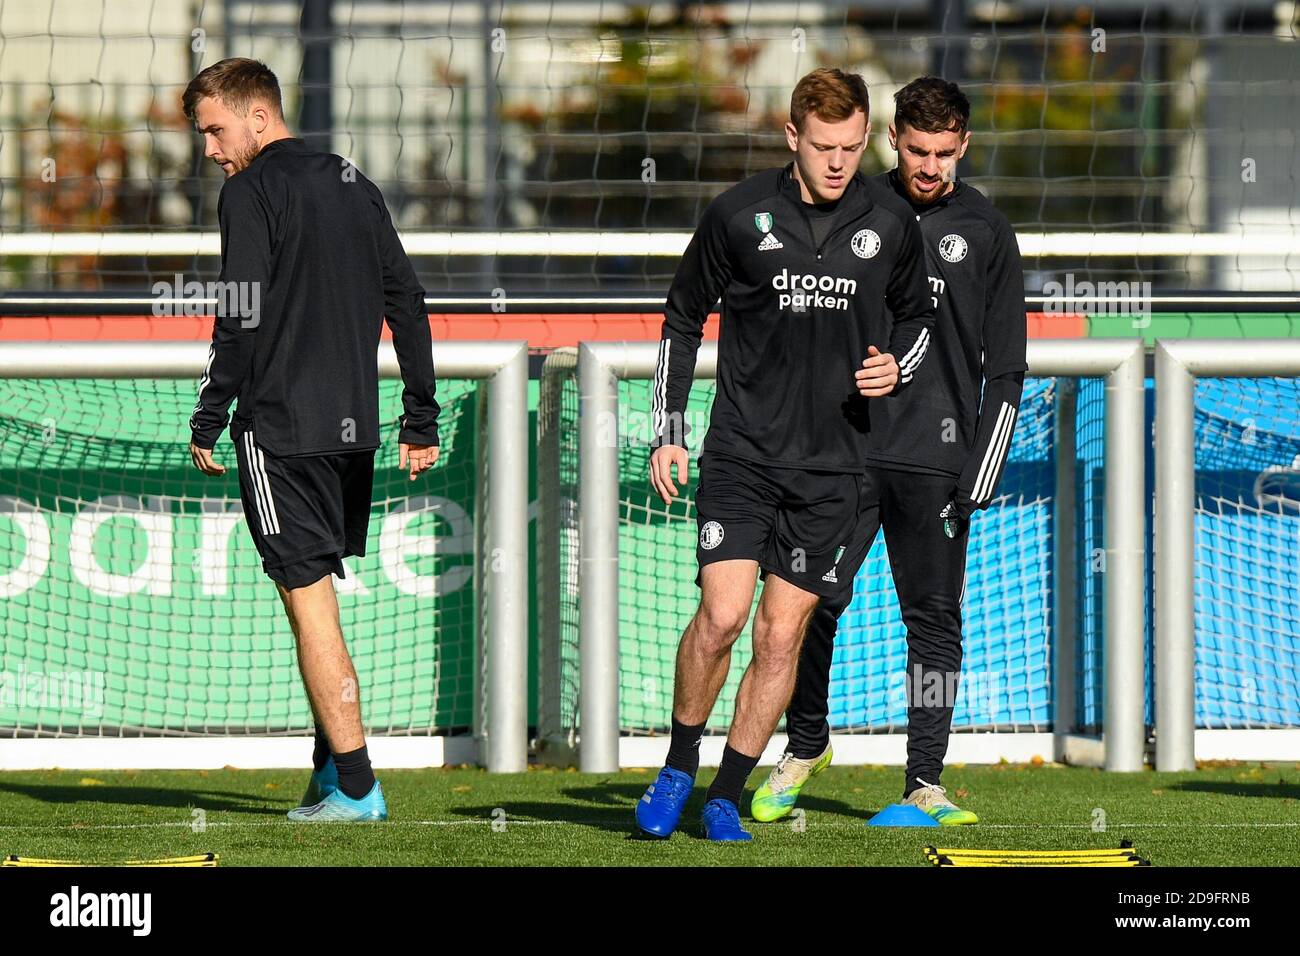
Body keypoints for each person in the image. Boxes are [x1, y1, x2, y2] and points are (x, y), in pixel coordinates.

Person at [637, 67, 934, 841]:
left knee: (780, 635)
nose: (839, 162)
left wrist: (894, 365)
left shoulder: (891, 224)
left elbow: (920, 319)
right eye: (823, 146)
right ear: (792, 137)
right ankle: (677, 767)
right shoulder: (739, 215)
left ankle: (726, 795)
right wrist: (668, 426)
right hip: (741, 453)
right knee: (723, 616)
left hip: (836, 470)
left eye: (853, 145)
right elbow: (681, 316)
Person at [753, 76, 1028, 827]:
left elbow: (1005, 367)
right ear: (892, 142)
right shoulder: (853, 209)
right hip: (844, 447)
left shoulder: (988, 231)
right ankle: (805, 744)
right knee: (807, 605)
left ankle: (925, 781)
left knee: (933, 620)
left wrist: (984, 463)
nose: (930, 165)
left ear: (964, 145)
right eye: (916, 150)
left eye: (944, 152)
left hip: (936, 458)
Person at [184, 57, 441, 822]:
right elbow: (410, 301)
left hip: (281, 428)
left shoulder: (250, 190)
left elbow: (240, 311)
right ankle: (330, 775)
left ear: (258, 117)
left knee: (309, 606)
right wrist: (419, 416)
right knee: (318, 600)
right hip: (352, 431)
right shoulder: (355, 182)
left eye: (215, 130)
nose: (210, 149)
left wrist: (209, 411)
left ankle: (358, 786)